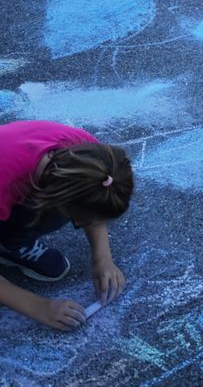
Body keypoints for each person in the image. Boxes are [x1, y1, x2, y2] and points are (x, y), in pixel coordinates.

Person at [0, 120, 133, 331]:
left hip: (18, 170)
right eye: (82, 218)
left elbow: (93, 201)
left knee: (59, 211)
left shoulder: (91, 160)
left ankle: (12, 241)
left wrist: (103, 259)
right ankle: (8, 245)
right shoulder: (5, 181)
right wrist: (39, 307)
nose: (84, 223)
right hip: (7, 172)